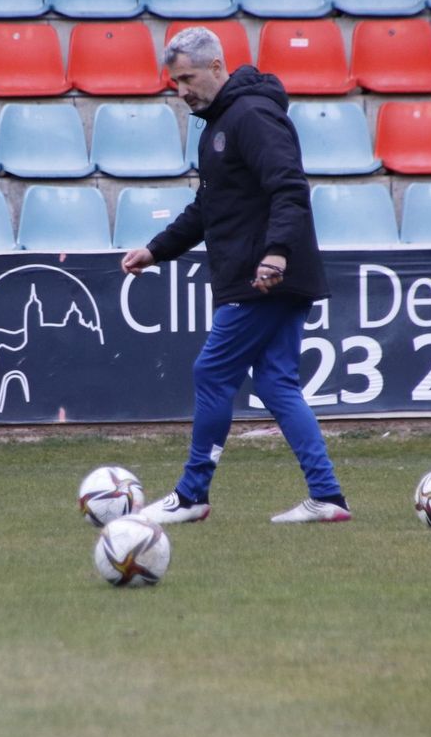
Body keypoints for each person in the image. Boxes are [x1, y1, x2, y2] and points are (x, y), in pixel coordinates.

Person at [123, 26, 350, 525]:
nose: (182, 90)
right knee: (276, 385)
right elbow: (209, 208)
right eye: (175, 81)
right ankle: (328, 496)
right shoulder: (221, 124)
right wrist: (156, 250)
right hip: (271, 272)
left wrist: (276, 255)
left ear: (217, 68)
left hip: (264, 276)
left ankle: (191, 494)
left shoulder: (251, 116)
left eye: (188, 77)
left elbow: (289, 187)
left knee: (212, 372)